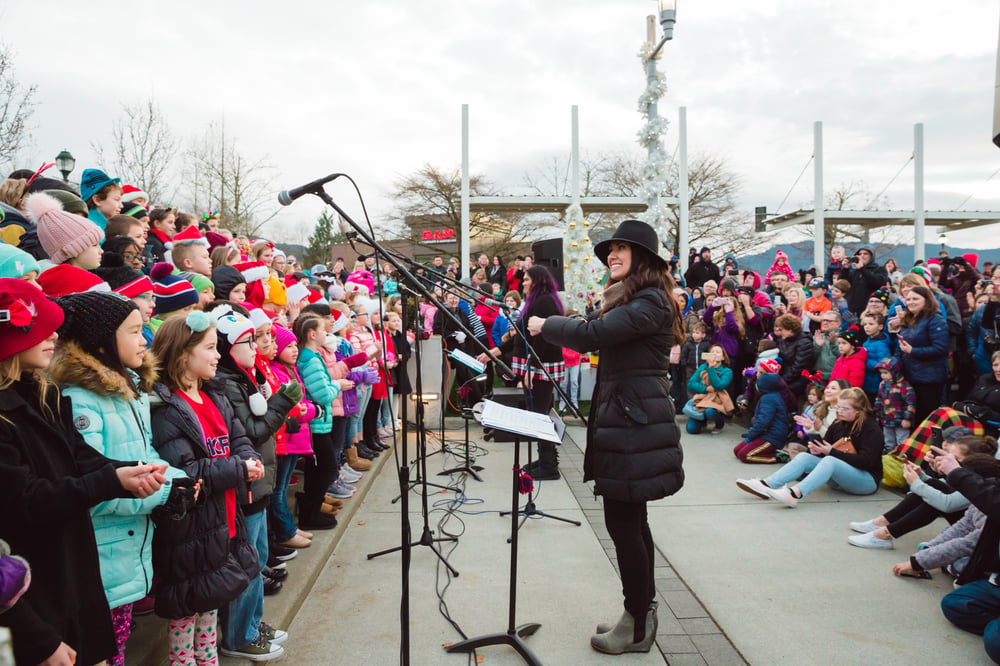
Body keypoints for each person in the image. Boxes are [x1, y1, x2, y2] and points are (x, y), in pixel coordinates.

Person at [527, 219, 685, 654]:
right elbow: (596, 324)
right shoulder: (630, 299)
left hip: (635, 425)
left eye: (622, 249)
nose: (612, 255)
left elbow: (594, 334)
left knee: (624, 525)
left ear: (644, 259)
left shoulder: (651, 300)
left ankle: (636, 620)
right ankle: (640, 612)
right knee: (633, 523)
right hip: (628, 419)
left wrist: (547, 324)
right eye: (610, 249)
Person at [0, 280, 167, 666]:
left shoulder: (43, 395)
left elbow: (80, 456)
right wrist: (110, 480)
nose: (56, 335)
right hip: (35, 587)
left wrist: (128, 473)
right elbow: (27, 501)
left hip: (72, 571)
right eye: (42, 328)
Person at [51, 291, 195, 666]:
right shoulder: (80, 400)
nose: (145, 340)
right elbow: (96, 486)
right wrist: (164, 492)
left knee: (119, 644)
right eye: (133, 331)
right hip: (102, 560)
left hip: (126, 555)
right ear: (101, 341)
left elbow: (144, 457)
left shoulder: (126, 390)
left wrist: (178, 479)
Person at [149, 313, 274, 662]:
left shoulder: (213, 394)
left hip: (222, 518)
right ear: (181, 353)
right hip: (191, 529)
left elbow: (239, 437)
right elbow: (187, 470)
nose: (218, 355)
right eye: (209, 348)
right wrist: (239, 467)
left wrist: (248, 458)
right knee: (188, 612)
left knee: (210, 607)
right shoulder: (167, 407)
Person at [480, 265, 566, 480]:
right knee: (540, 412)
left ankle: (549, 465)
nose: (523, 283)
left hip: (540, 367)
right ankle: (546, 458)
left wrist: (532, 367)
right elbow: (520, 333)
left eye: (527, 279)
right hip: (536, 366)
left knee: (539, 414)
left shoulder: (543, 301)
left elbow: (543, 337)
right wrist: (497, 351)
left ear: (538, 281)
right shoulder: (537, 301)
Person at [737, 388, 883, 507]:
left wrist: (831, 452)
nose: (840, 411)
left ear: (858, 410)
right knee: (804, 457)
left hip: (866, 480)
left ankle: (794, 494)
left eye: (845, 408)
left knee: (830, 460)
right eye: (839, 407)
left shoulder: (871, 428)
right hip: (840, 478)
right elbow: (825, 451)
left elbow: (867, 462)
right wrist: (817, 450)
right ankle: (767, 485)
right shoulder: (839, 424)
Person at [848, 432, 994, 550]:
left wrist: (916, 483)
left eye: (955, 458)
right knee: (932, 485)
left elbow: (947, 504)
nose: (949, 460)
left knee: (934, 498)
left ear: (973, 459)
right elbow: (942, 485)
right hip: (968, 523)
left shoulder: (984, 478)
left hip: (978, 532)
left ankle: (885, 533)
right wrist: (921, 476)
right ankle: (882, 524)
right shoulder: (971, 473)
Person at [888, 284, 949, 425]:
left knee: (926, 419)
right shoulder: (909, 320)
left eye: (915, 298)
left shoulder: (935, 319)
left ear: (926, 300)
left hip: (929, 379)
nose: (910, 302)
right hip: (910, 376)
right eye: (908, 299)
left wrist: (913, 351)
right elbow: (901, 345)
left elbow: (940, 348)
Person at [682, 344, 733, 434]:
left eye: (717, 352)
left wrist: (711, 368)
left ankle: (719, 424)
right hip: (702, 398)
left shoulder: (727, 371)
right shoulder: (702, 367)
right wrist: (705, 388)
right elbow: (691, 384)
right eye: (712, 352)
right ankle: (702, 421)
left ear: (723, 357)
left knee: (710, 412)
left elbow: (718, 386)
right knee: (692, 429)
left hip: (717, 400)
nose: (714, 354)